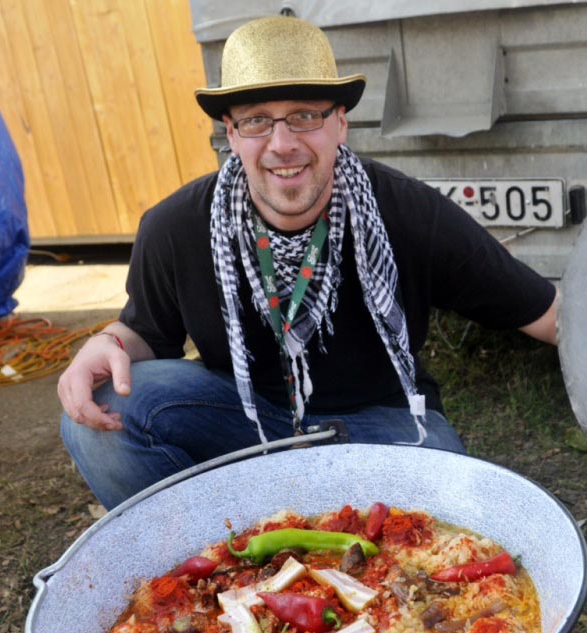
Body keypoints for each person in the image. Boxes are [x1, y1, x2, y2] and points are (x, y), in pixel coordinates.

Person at [57, 15, 558, 511]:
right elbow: (144, 332)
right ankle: (214, 545)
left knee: (454, 514)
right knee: (107, 409)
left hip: (380, 425)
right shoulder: (176, 226)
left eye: (304, 115)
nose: (282, 144)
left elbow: (547, 313)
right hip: (244, 422)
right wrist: (105, 344)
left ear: (340, 123)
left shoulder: (408, 212)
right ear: (231, 133)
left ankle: (316, 527)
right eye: (256, 120)